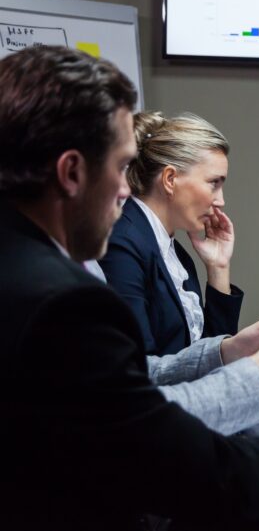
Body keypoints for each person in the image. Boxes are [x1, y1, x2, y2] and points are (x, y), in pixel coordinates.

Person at [0, 45, 259, 530]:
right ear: (71, 172)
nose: (125, 190)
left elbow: (133, 381)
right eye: (119, 167)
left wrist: (227, 351)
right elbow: (205, 476)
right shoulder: (64, 302)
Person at [99, 111, 241, 356]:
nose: (221, 201)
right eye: (214, 183)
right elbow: (142, 366)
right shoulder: (122, 243)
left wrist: (218, 266)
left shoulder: (176, 253)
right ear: (170, 179)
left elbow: (208, 360)